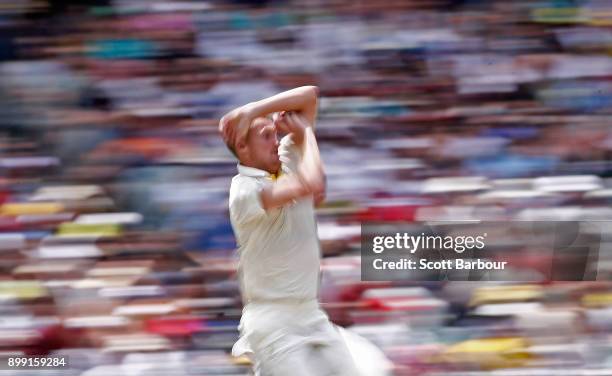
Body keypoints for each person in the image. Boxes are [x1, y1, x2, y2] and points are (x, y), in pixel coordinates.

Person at [219, 86, 391, 375]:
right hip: (273, 321)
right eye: (266, 137)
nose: (276, 142)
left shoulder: (284, 163)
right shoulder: (244, 188)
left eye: (275, 134)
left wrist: (253, 110)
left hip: (310, 314)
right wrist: (306, 133)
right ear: (243, 148)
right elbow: (314, 184)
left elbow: (309, 96)